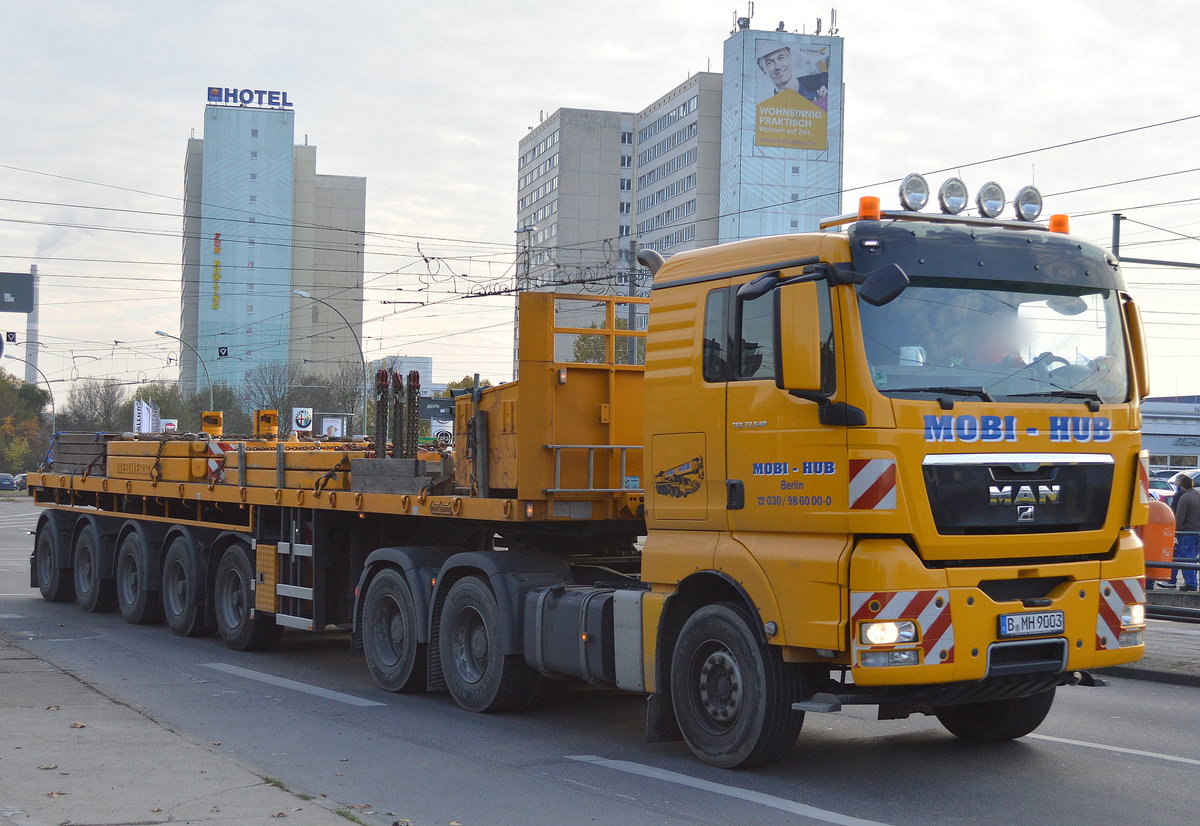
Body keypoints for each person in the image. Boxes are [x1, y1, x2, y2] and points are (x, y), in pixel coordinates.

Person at [757, 43, 829, 110]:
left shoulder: (823, 82)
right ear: (762, 69)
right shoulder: (771, 109)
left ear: (790, 57)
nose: (778, 66)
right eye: (769, 62)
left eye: (781, 58)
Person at [1164, 474, 1200, 591]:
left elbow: (1179, 519)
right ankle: (1175, 581)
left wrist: (1175, 532)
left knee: (1186, 558)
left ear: (1182, 486)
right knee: (1191, 558)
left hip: (1187, 533)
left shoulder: (1184, 498)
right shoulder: (1198, 495)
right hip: (1197, 533)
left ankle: (1191, 584)